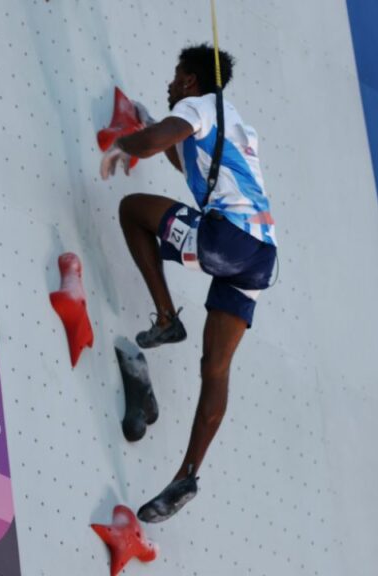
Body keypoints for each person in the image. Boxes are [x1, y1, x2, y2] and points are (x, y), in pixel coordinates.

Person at [101, 44, 277, 523]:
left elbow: (161, 139)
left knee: (132, 210)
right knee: (215, 368)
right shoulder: (236, 124)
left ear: (192, 81)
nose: (171, 84)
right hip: (260, 256)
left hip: (227, 239)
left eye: (177, 77)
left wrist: (126, 143)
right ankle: (187, 474)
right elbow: (188, 162)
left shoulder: (196, 106)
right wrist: (151, 129)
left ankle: (165, 317)